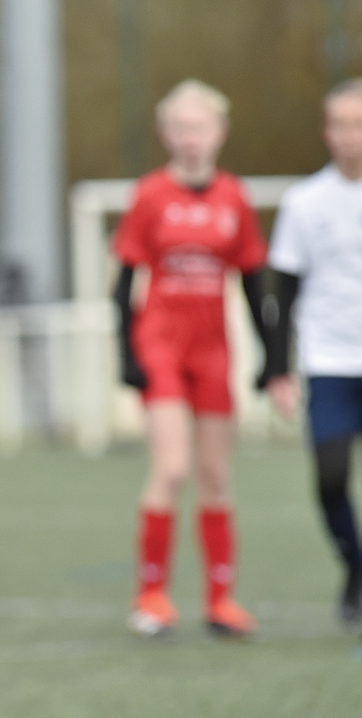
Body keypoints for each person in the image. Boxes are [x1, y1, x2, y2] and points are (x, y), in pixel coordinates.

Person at [112, 80, 272, 638]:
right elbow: (123, 284)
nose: (190, 137)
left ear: (219, 132)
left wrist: (274, 358)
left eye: (199, 126)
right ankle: (151, 595)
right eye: (180, 127)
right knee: (172, 467)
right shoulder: (150, 196)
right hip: (160, 348)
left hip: (214, 353)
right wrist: (126, 356)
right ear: (165, 134)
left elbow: (253, 281)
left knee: (215, 475)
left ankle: (220, 601)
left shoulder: (235, 198)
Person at [262, 79, 362, 627]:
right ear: (327, 132)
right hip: (329, 364)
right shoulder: (304, 202)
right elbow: (284, 291)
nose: (349, 136)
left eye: (358, 124)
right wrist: (279, 370)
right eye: (340, 124)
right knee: (330, 479)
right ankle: (355, 566)